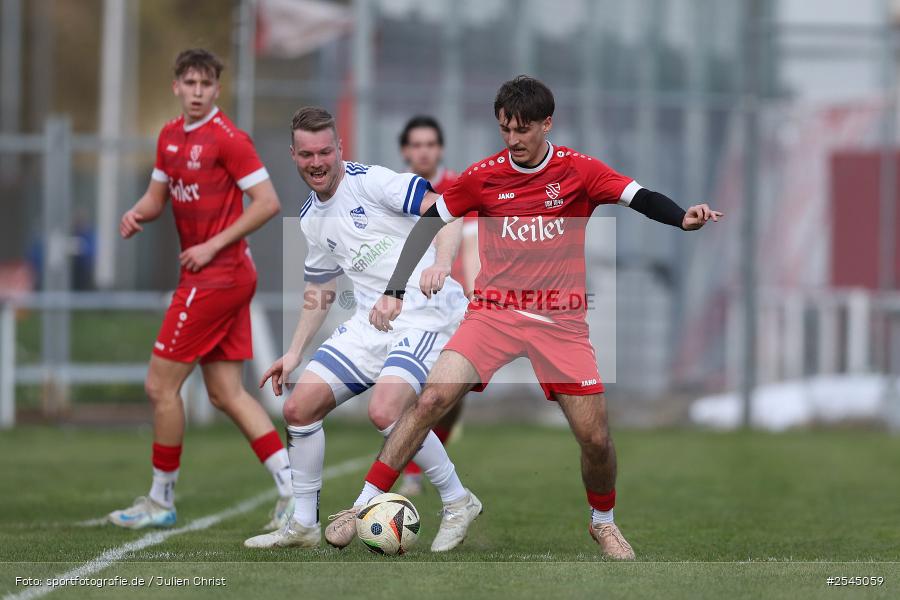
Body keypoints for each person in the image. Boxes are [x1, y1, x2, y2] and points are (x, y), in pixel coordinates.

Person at [344, 76, 723, 560]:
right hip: (494, 314)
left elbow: (639, 196)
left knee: (595, 438)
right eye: (505, 129)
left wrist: (682, 218)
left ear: (547, 123)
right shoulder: (484, 176)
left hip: (559, 321)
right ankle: (362, 505)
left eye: (522, 129)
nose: (513, 140)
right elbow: (432, 222)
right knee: (432, 397)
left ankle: (603, 522)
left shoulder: (579, 171)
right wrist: (396, 288)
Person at [242, 107, 482, 552]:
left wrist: (444, 264)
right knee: (299, 408)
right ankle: (303, 524)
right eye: (307, 154)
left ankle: (457, 500)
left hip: (427, 312)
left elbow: (446, 213)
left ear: (339, 149)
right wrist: (295, 352)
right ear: (294, 155)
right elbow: (320, 288)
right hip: (373, 320)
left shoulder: (373, 182)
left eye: (325, 152)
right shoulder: (313, 217)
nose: (318, 162)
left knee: (385, 411)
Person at [109, 49, 290, 531]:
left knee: (159, 385)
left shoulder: (229, 139)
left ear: (216, 90)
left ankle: (160, 499)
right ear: (176, 86)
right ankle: (293, 491)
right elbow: (156, 197)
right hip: (217, 275)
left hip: (218, 274)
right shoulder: (169, 136)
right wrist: (136, 214)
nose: (196, 91)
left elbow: (267, 202)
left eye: (205, 84)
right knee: (227, 392)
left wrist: (211, 245)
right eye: (189, 83)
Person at [395, 116, 477, 497]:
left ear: (440, 149)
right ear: (405, 151)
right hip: (412, 306)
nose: (423, 151)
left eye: (430, 143)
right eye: (416, 144)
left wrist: (476, 298)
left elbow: (473, 247)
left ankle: (428, 455)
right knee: (416, 390)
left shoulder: (460, 189)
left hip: (456, 306)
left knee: (453, 395)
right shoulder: (396, 191)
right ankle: (413, 468)